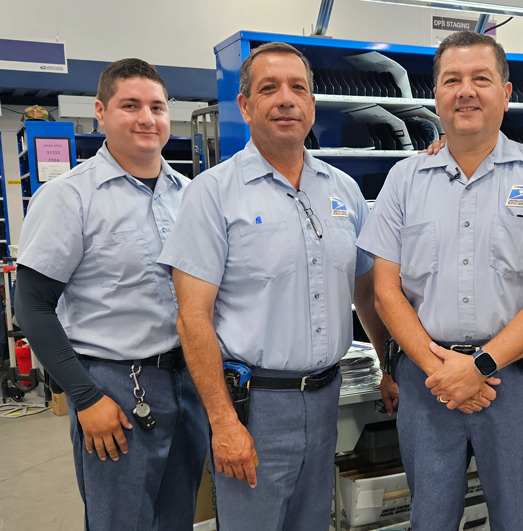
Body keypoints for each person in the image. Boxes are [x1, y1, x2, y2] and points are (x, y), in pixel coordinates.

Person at [356, 31, 523, 531]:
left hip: (514, 379)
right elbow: (385, 290)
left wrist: (479, 365)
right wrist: (441, 370)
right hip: (428, 380)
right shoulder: (404, 180)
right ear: (436, 95)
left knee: (517, 518)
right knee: (431, 519)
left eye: (481, 79)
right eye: (452, 80)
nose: (466, 91)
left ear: (506, 93)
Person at [157, 42, 389, 531]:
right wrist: (222, 422)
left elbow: (367, 292)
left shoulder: (343, 190)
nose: (286, 99)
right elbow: (192, 317)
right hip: (254, 406)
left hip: (328, 396)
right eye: (269, 88)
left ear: (311, 103)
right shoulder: (213, 194)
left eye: (297, 88)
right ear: (245, 106)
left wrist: (389, 368)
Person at [15, 58, 207, 530]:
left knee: (177, 516)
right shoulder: (70, 197)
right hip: (116, 389)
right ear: (101, 112)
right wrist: (85, 397)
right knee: (120, 521)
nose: (147, 118)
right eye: (130, 105)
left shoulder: (192, 195)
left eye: (157, 107)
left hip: (190, 380)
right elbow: (33, 304)